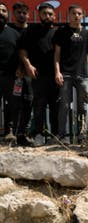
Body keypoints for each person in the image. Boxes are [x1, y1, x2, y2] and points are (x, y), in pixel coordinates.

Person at [53, 4, 88, 144]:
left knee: (83, 106)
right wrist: (57, 72)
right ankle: (62, 136)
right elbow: (57, 54)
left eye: (79, 13)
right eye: (73, 13)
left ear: (82, 16)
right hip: (65, 74)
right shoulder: (61, 31)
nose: (76, 16)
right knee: (64, 105)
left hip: (82, 75)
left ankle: (82, 135)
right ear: (68, 15)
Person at [18, 2, 58, 146]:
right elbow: (22, 50)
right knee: (39, 105)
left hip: (55, 75)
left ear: (54, 16)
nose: (47, 16)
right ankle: (39, 134)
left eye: (49, 14)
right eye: (44, 14)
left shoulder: (58, 32)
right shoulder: (31, 31)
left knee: (55, 106)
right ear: (39, 15)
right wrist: (28, 65)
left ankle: (55, 136)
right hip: (38, 75)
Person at [8, 1, 31, 146]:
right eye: (19, 12)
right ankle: (10, 132)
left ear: (28, 15)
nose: (22, 15)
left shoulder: (32, 31)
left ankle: (23, 133)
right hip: (12, 73)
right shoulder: (8, 29)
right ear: (13, 14)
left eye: (24, 13)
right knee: (13, 103)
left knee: (28, 102)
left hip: (29, 73)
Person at [0, 1, 19, 141]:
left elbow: (21, 54)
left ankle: (9, 131)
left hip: (10, 75)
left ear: (8, 14)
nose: (0, 13)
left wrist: (20, 69)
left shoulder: (15, 34)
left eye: (3, 11)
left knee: (10, 104)